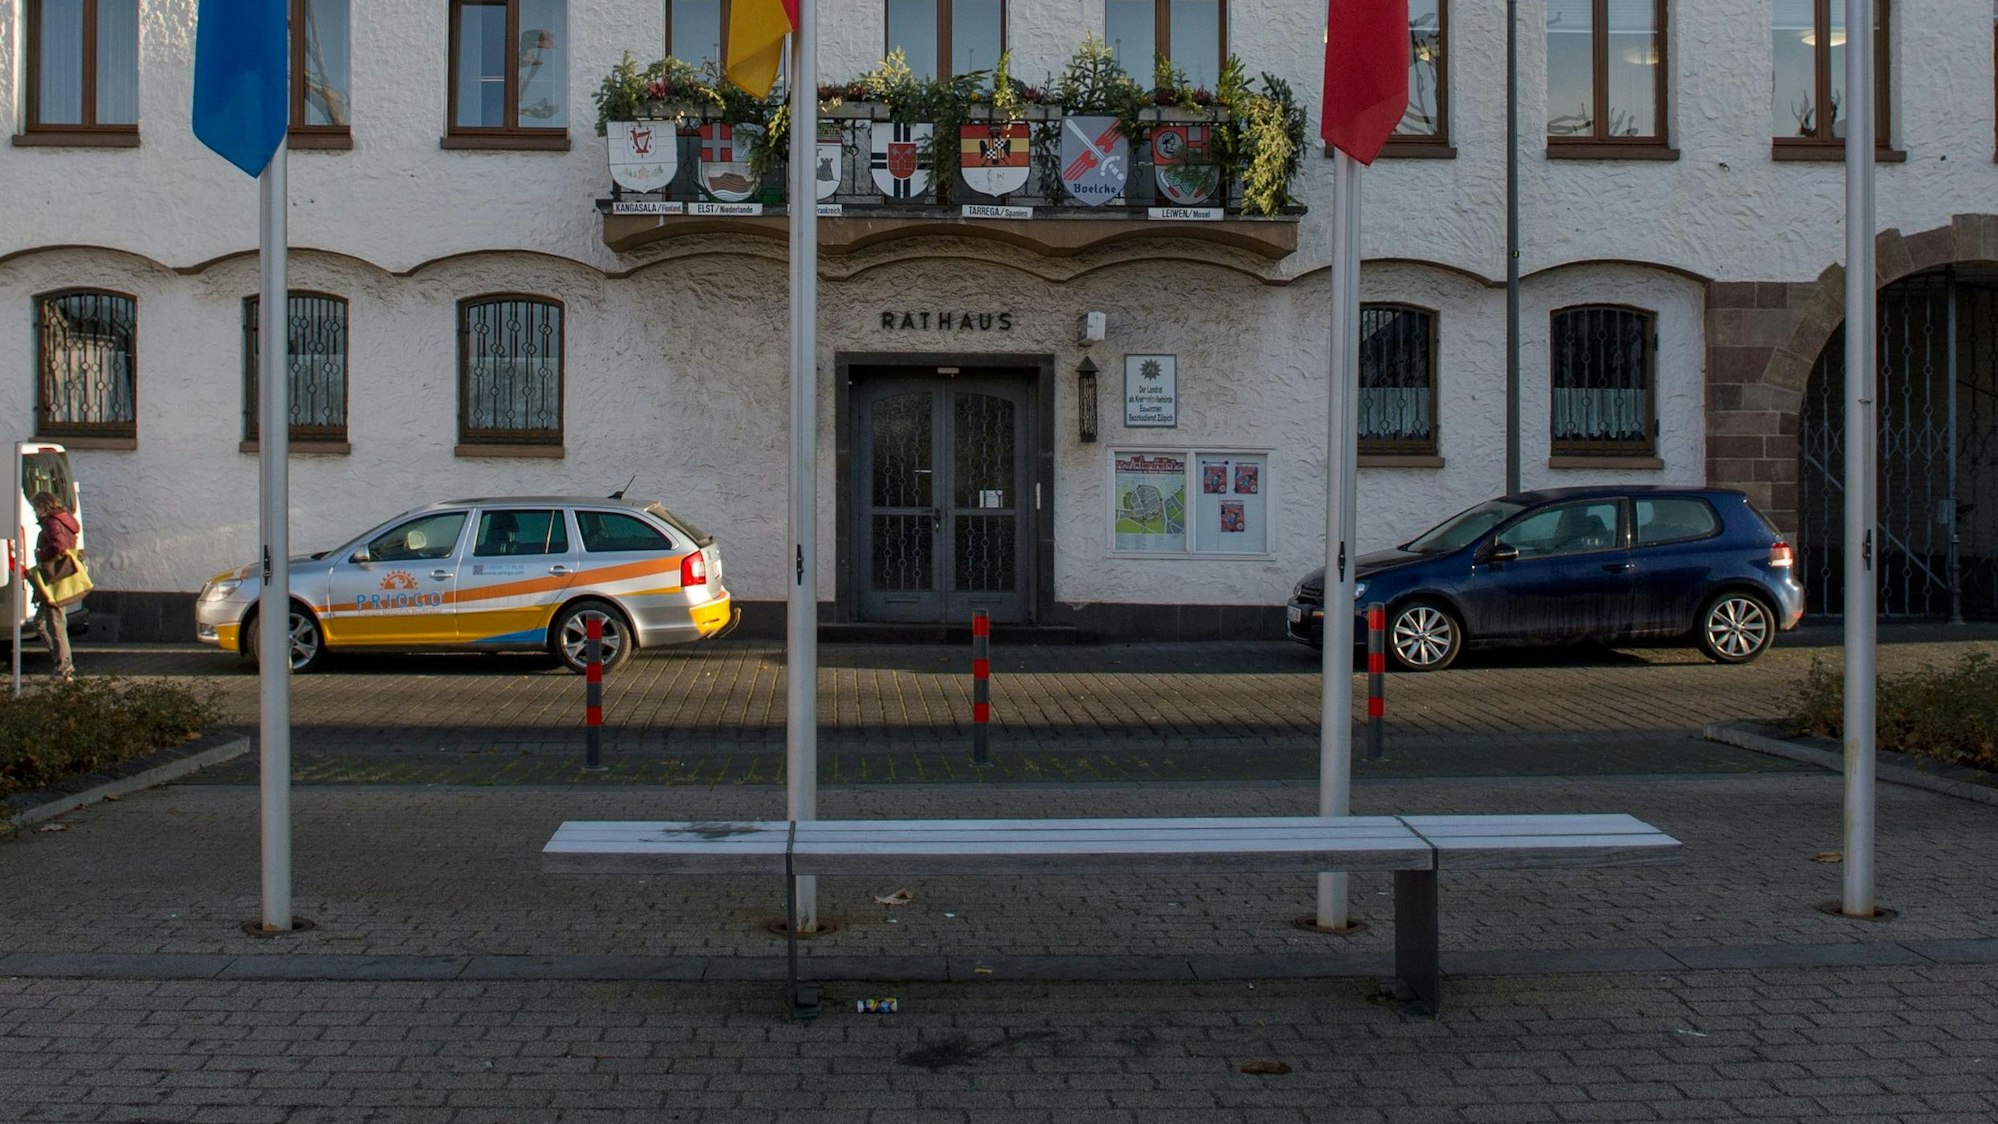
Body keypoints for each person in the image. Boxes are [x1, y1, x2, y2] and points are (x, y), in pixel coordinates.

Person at [30, 491, 78, 683]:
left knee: (55, 624)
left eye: (35, 508)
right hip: (60, 576)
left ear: (43, 506)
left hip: (53, 578)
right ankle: (60, 662)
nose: (35, 512)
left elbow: (58, 546)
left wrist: (41, 554)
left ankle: (64, 669)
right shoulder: (65, 519)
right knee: (40, 624)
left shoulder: (51, 522)